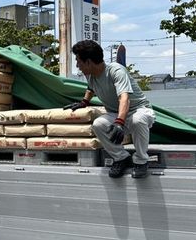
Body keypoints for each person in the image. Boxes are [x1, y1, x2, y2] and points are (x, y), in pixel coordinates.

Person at [65, 40, 155, 179]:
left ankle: (141, 161)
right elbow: (90, 88)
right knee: (99, 124)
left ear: (88, 62)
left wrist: (119, 122)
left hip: (138, 110)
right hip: (115, 113)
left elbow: (124, 98)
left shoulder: (116, 71)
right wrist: (84, 102)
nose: (78, 65)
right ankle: (121, 158)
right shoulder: (90, 75)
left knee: (138, 120)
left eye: (79, 61)